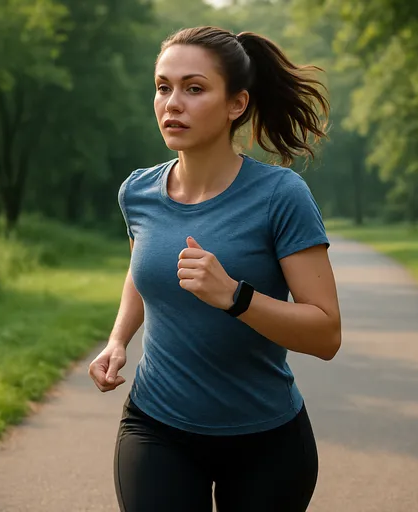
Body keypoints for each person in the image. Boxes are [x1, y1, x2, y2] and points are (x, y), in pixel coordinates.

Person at [88, 25, 342, 512]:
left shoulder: (280, 196)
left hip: (265, 440)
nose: (172, 103)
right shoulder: (137, 192)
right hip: (156, 425)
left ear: (236, 104)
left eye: (194, 88)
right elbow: (144, 272)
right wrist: (118, 340)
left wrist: (234, 296)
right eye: (163, 87)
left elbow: (326, 334)